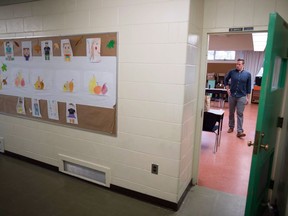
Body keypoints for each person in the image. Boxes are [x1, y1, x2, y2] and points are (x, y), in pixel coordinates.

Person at [224, 58, 251, 138]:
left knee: (240, 113)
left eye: (239, 64)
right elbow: (225, 80)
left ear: (243, 65)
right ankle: (231, 127)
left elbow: (248, 87)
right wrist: (227, 89)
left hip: (242, 96)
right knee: (231, 112)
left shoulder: (247, 74)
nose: (237, 65)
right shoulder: (232, 72)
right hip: (232, 96)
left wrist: (248, 98)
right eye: (236, 64)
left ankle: (239, 131)